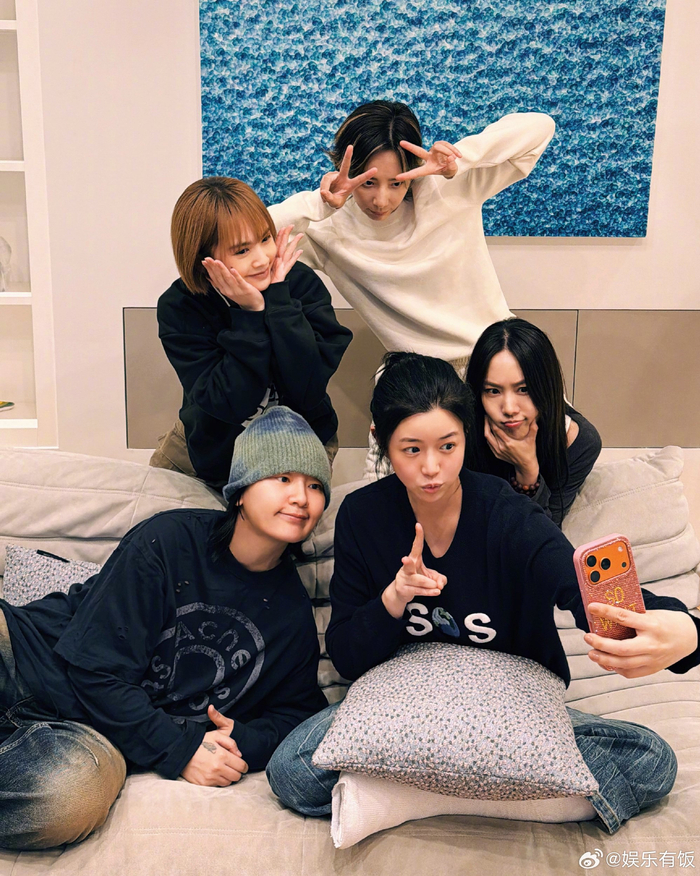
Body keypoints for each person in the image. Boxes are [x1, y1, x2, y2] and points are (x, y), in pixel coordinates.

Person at [266, 353, 700, 835]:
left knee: (652, 762)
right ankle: (513, 794)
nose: (432, 468)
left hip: (508, 702)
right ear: (382, 442)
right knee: (292, 771)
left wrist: (686, 630)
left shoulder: (506, 514)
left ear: (466, 436)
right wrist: (394, 598)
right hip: (400, 704)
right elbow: (348, 656)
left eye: (448, 446)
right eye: (411, 450)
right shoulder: (362, 516)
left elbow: (582, 590)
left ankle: (418, 797)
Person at [0, 406, 330, 850]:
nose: (301, 497)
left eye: (315, 485)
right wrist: (181, 749)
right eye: (282, 478)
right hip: (26, 655)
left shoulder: (291, 614)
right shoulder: (169, 540)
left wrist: (242, 740)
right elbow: (94, 669)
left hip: (93, 736)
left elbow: (297, 714)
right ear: (240, 491)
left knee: (67, 803)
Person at [269, 100, 555, 367]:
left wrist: (462, 158)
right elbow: (255, 233)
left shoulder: (448, 189)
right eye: (368, 182)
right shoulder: (326, 229)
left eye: (396, 183)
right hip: (418, 376)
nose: (381, 200)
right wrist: (319, 203)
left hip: (497, 357)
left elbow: (540, 127)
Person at [151, 176, 353, 490]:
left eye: (265, 239)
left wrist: (277, 302)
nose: (262, 259)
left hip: (298, 439)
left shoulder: (299, 283)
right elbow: (230, 403)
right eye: (242, 250)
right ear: (204, 260)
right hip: (211, 448)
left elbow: (307, 389)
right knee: (154, 513)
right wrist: (250, 314)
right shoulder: (181, 306)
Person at [465, 317, 602, 526]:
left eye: (524, 389)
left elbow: (544, 530)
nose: (509, 408)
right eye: (493, 391)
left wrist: (527, 472)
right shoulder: (462, 428)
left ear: (546, 386)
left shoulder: (580, 442)